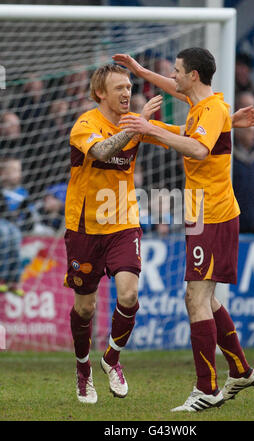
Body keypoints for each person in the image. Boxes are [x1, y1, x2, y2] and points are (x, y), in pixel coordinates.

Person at [114, 48, 254, 412]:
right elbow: (182, 119)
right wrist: (139, 70)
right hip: (202, 213)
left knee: (195, 299)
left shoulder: (211, 109)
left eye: (178, 71)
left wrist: (148, 128)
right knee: (205, 299)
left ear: (194, 75)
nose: (174, 76)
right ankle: (240, 370)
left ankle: (206, 389)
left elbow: (196, 148)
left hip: (212, 213)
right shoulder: (205, 107)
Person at [64, 63, 166, 404]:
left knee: (128, 295)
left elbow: (178, 134)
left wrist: (224, 125)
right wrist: (138, 125)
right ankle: (83, 370)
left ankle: (111, 359)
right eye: (119, 88)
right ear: (100, 93)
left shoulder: (135, 122)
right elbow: (103, 151)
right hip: (84, 227)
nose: (127, 93)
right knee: (85, 308)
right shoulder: (85, 124)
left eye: (129, 87)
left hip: (124, 222)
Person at [233, 126, 254, 233]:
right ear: (240, 133)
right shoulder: (231, 157)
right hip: (234, 216)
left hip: (253, 215)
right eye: (251, 132)